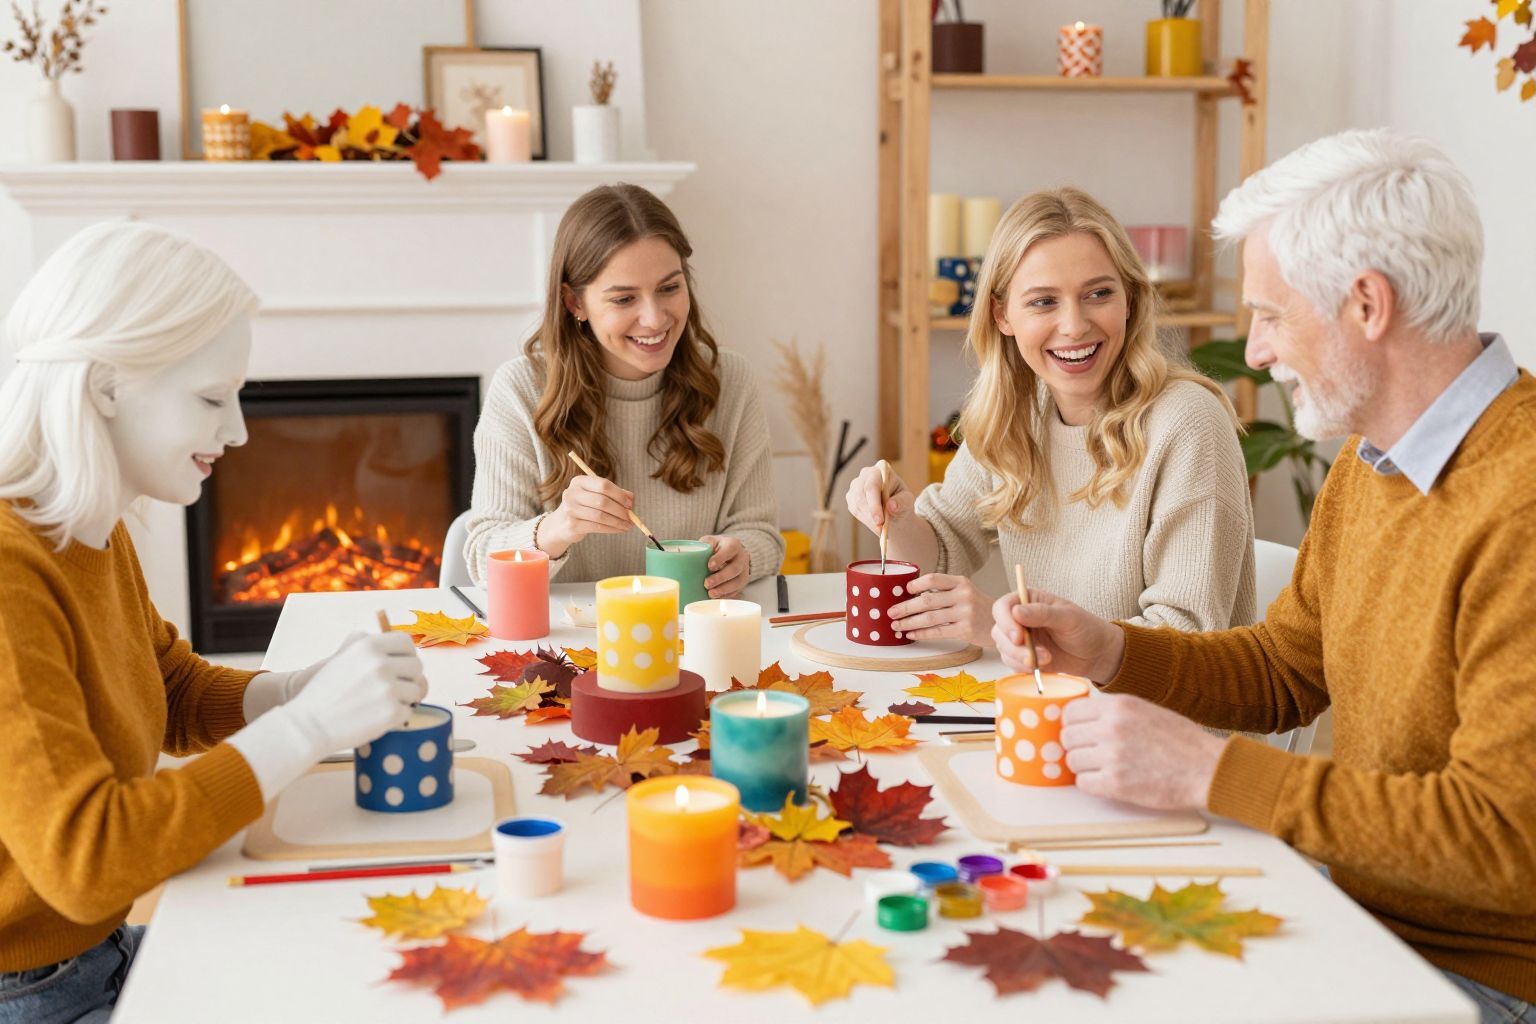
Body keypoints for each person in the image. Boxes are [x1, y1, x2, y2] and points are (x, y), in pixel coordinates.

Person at [992, 130, 1535, 1023]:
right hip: (1355, 912)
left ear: (1367, 305)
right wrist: (1112, 650)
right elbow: (1286, 670)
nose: (1254, 352)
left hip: (1484, 977)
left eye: (1271, 316)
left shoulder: (1520, 500)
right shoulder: (1373, 460)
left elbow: (1504, 837)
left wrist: (1213, 771)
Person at [0, 223, 428, 1023]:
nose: (237, 431)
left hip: (95, 955)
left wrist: (299, 688)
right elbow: (89, 858)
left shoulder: (87, 532)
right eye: (210, 398)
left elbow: (169, 688)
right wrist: (308, 725)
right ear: (105, 386)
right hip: (33, 995)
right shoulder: (8, 572)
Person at [846, 187, 1254, 647]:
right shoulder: (1017, 415)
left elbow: (1188, 639)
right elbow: (940, 550)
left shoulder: (1187, 422)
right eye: (1043, 301)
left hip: (1157, 697)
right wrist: (896, 518)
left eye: (1098, 293)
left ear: (1130, 301)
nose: (1074, 325)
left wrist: (1009, 630)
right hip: (1050, 689)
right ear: (1002, 315)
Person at [465, 183, 784, 597]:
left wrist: (743, 556)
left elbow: (760, 532)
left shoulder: (731, 382)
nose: (654, 319)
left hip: (691, 628)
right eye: (623, 299)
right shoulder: (521, 391)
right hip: (570, 632)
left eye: (669, 288)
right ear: (574, 303)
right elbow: (482, 559)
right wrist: (558, 527)